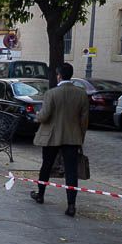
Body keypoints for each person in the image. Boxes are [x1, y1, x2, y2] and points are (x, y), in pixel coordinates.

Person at [30, 61, 88, 217]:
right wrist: (80, 136)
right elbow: (84, 120)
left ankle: (40, 194)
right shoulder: (81, 93)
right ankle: (71, 205)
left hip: (52, 136)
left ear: (59, 75)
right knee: (71, 172)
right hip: (72, 137)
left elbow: (45, 115)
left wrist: (37, 116)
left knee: (46, 166)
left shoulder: (52, 93)